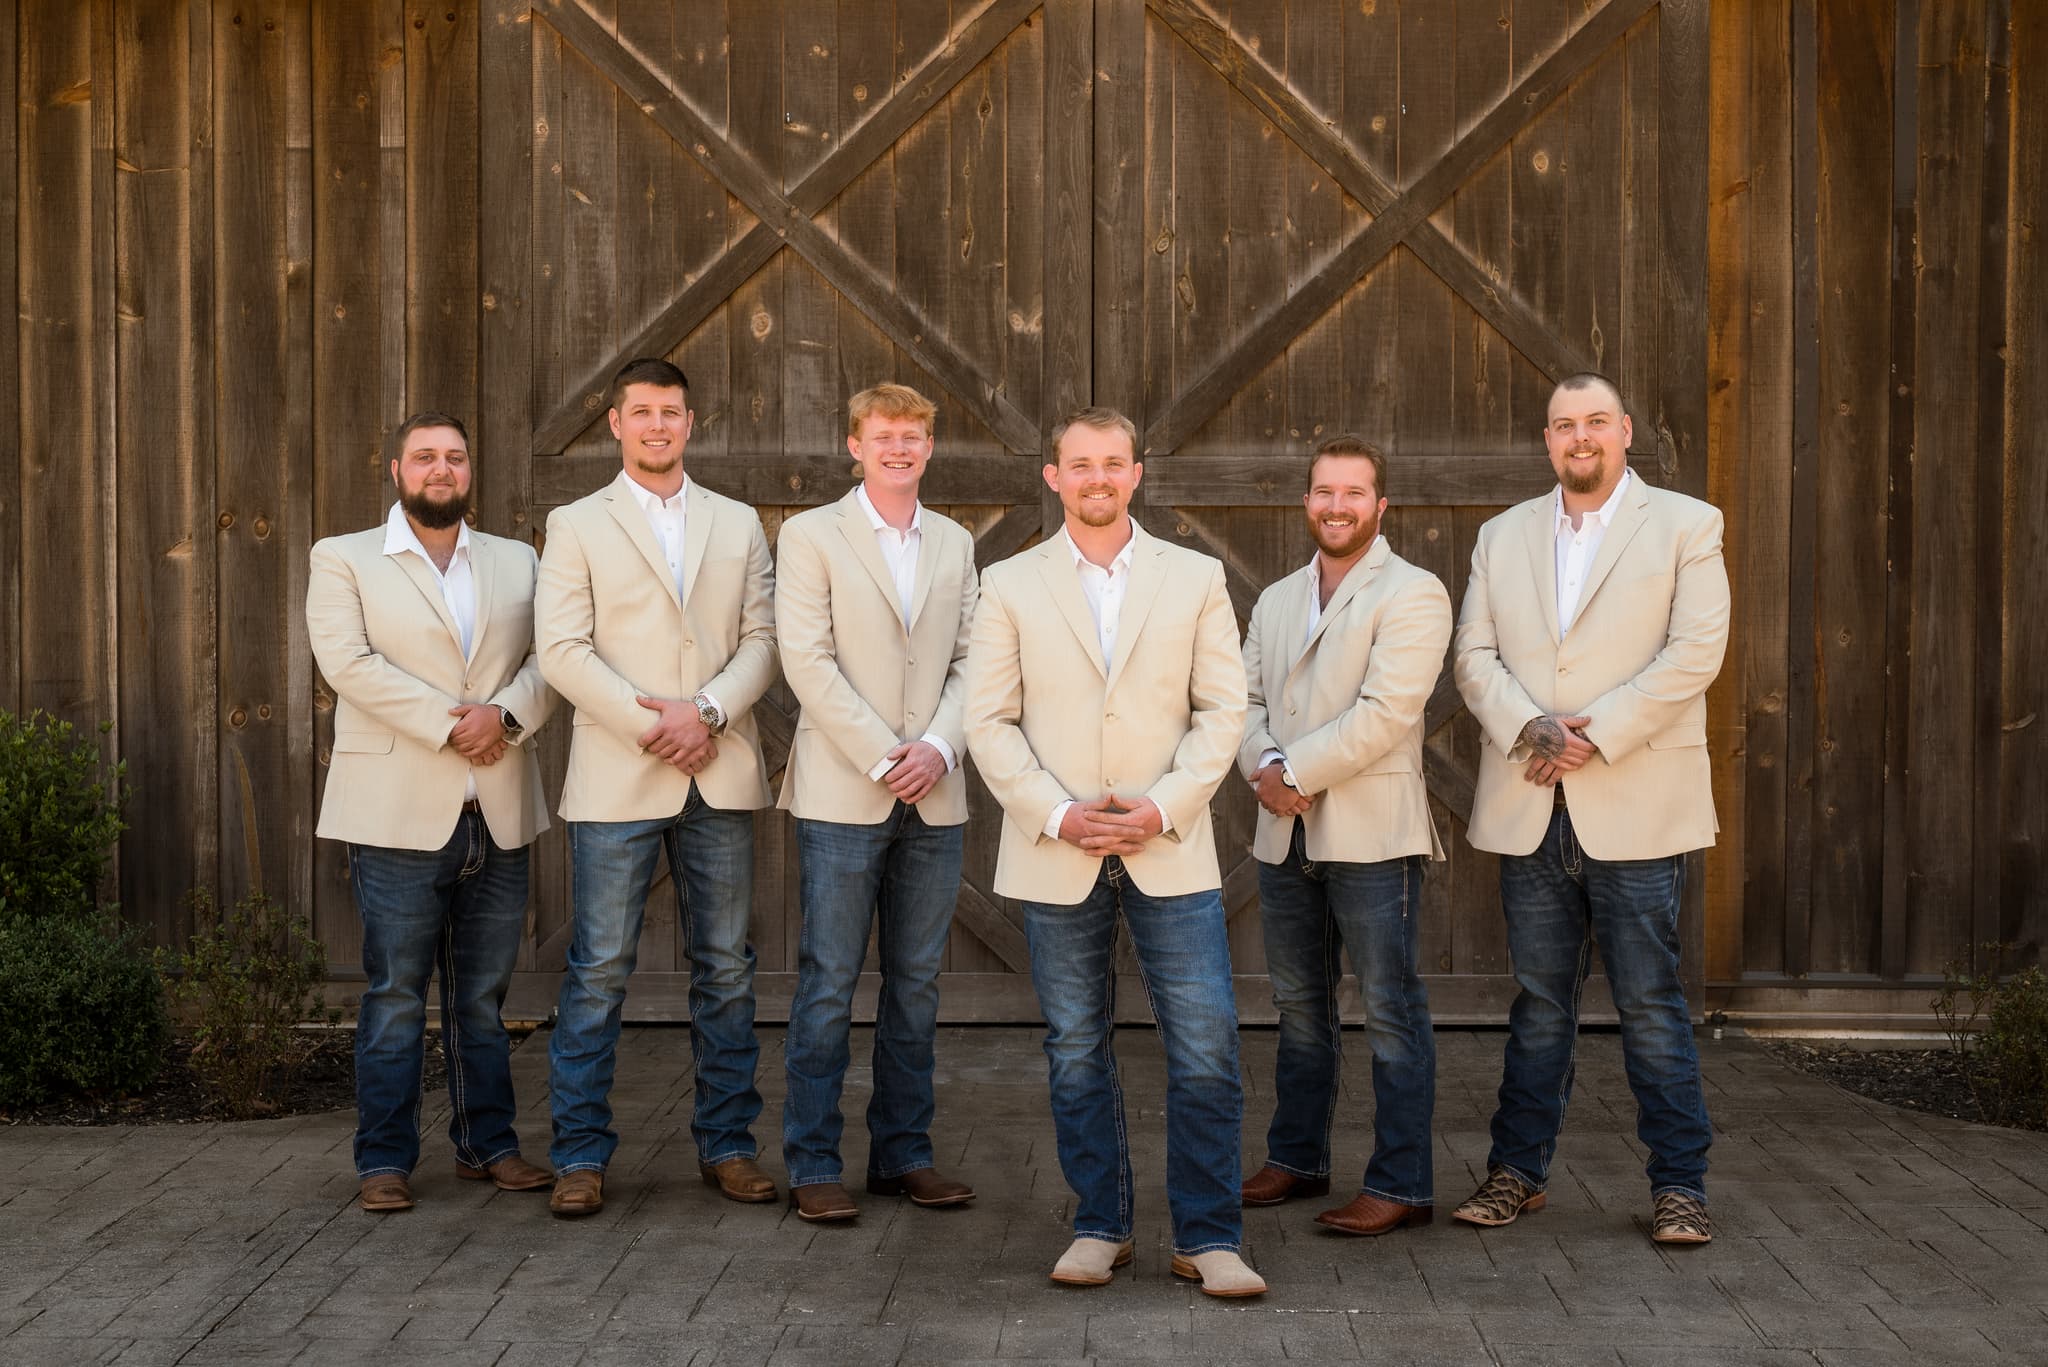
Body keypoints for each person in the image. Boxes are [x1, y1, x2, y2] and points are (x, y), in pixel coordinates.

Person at [965, 406, 1263, 1297]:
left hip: (1167, 844)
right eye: (1080, 464)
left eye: (1114, 463)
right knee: (1075, 1043)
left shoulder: (1196, 575)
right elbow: (988, 719)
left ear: (1138, 473)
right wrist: (1058, 814)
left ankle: (1210, 1237)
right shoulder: (1008, 582)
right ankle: (1101, 1223)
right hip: (1058, 849)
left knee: (1206, 1044)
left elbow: (1224, 710)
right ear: (1053, 477)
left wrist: (1162, 806)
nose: (1098, 477)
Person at [1450, 372, 1730, 1245]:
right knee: (1538, 1000)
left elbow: (1695, 654)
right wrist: (1532, 726)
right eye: (1565, 425)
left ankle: (1680, 1185)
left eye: (1596, 422)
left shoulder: (1687, 524)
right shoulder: (1503, 535)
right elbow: (1474, 654)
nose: (1581, 437)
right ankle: (1516, 1172)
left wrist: (1593, 734)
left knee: (1650, 1000)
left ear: (1625, 431)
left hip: (1634, 799)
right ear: (1547, 440)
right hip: (1532, 800)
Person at [534, 357, 779, 1218]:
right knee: (598, 971)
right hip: (617, 772)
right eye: (641, 412)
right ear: (615, 423)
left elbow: (763, 638)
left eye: (671, 412)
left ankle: (730, 1145)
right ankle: (579, 1155)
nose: (657, 425)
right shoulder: (575, 523)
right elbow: (561, 649)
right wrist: (655, 724)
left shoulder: (738, 521)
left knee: (727, 970)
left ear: (690, 421)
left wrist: (705, 712)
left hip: (716, 768)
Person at [307, 411, 557, 1213]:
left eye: (454, 456)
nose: (441, 468)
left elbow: (554, 657)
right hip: (396, 810)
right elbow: (348, 662)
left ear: (469, 469)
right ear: (396, 470)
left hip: (500, 803)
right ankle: (384, 1158)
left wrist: (506, 716)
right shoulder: (344, 557)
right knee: (394, 994)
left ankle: (490, 1145)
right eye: (425, 457)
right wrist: (458, 723)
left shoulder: (519, 560)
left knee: (482, 996)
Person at [773, 383, 979, 1222]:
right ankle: (813, 1159)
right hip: (842, 787)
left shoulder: (957, 541)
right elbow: (805, 658)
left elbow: (975, 657)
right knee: (827, 981)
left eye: (914, 437)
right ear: (854, 444)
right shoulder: (809, 534)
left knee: (917, 984)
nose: (900, 448)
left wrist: (938, 745)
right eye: (884, 436)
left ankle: (903, 1154)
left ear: (930, 448)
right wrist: (883, 753)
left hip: (936, 787)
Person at [1236, 436, 1451, 1236]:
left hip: (1370, 830)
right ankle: (1296, 1157)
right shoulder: (1278, 598)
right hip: (1284, 833)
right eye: (1324, 492)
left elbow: (1387, 712)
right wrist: (1262, 765)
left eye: (1353, 493)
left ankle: (1402, 1183)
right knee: (1299, 1006)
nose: (1337, 506)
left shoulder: (1415, 592)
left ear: (1380, 505)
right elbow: (1242, 697)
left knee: (1391, 1008)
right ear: (1307, 502)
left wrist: (1292, 773)